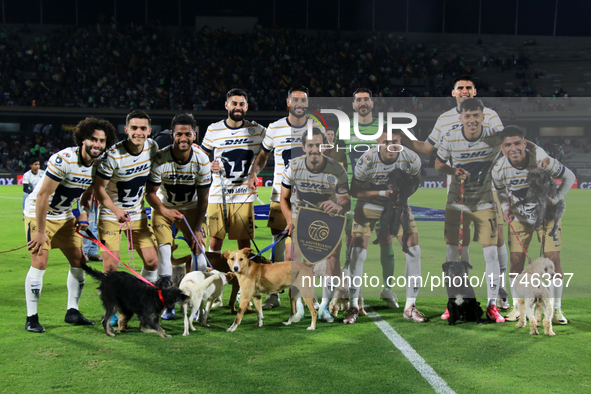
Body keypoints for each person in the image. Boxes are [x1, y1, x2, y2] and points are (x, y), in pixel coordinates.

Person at [401, 75, 510, 316]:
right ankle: (461, 299)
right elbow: (428, 149)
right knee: (460, 246)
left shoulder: (490, 114)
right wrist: (404, 140)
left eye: (468, 88)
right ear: (453, 93)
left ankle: (500, 292)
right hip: (459, 192)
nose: (464, 91)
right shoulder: (445, 120)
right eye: (460, 88)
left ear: (475, 92)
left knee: (497, 240)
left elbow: (504, 145)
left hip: (488, 188)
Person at [24, 117, 117, 333]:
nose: (97, 144)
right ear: (83, 139)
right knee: (40, 262)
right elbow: (42, 196)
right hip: (39, 214)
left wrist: (83, 214)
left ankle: (72, 311)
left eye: (102, 141)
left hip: (65, 215)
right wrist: (39, 231)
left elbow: (86, 196)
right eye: (93, 139)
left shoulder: (97, 166)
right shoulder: (63, 159)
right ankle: (32, 317)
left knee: (80, 261)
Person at [492, 126, 575, 324]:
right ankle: (517, 308)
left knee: (553, 260)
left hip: (548, 217)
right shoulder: (498, 169)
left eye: (517, 143)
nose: (514, 148)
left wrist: (555, 199)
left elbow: (569, 176)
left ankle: (555, 310)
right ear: (501, 147)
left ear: (525, 143)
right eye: (508, 145)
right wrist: (505, 207)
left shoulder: (541, 162)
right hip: (520, 219)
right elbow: (501, 191)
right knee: (516, 262)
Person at [434, 98, 507, 323]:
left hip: (484, 202)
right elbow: (438, 164)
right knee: (453, 254)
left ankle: (492, 305)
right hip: (457, 202)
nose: (472, 120)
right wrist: (453, 170)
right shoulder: (451, 137)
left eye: (476, 115)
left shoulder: (494, 137)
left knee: (491, 254)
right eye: (468, 116)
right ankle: (454, 302)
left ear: (483, 116)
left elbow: (517, 144)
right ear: (461, 118)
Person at [248, 86, 316, 310]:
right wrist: (253, 173)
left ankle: (309, 292)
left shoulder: (316, 127)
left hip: (309, 196)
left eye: (303, 100)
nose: (299, 104)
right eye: (295, 100)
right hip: (281, 195)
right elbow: (263, 155)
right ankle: (274, 293)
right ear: (288, 103)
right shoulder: (275, 128)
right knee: (278, 243)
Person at [347, 131, 426, 324]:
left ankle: (410, 306)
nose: (390, 146)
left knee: (414, 249)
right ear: (377, 142)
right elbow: (355, 190)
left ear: (401, 142)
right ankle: (352, 306)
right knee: (358, 252)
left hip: (396, 205)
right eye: (386, 142)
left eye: (395, 142)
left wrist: (401, 200)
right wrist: (383, 192)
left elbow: (415, 181)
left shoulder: (411, 157)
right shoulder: (367, 159)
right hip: (369, 203)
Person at [335, 87, 400, 309]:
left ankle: (387, 289)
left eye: (366, 99)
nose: (363, 103)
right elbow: (337, 159)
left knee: (386, 237)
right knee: (352, 240)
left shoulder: (383, 129)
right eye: (358, 100)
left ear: (372, 103)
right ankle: (353, 286)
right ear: (353, 105)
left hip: (382, 193)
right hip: (355, 193)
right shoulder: (344, 130)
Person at [280, 127, 350, 323]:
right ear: (303, 147)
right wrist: (289, 221)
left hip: (329, 218)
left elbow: (346, 201)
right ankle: (300, 306)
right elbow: (283, 199)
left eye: (318, 145)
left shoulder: (337, 169)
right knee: (292, 257)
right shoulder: (293, 166)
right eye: (310, 145)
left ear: (324, 146)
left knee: (333, 260)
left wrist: (337, 205)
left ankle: (325, 307)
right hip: (301, 216)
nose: (314, 149)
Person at [146, 112, 212, 319]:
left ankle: (197, 302)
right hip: (164, 208)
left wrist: (197, 229)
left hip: (192, 209)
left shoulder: (202, 160)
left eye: (188, 134)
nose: (183, 138)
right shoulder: (160, 158)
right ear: (173, 134)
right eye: (179, 134)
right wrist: (164, 211)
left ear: (195, 136)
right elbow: (150, 193)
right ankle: (168, 304)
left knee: (200, 256)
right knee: (164, 254)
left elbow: (203, 200)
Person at [93, 110, 160, 308]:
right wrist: (115, 210)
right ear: (126, 130)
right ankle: (112, 308)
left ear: (149, 130)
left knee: (152, 261)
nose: (138, 132)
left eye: (142, 128)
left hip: (137, 215)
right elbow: (98, 188)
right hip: (110, 216)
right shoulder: (113, 155)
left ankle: (143, 299)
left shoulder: (152, 147)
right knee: (111, 267)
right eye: (134, 128)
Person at [201, 89, 266, 255]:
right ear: (226, 105)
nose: (238, 107)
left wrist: (254, 172)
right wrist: (209, 165)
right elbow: (200, 158)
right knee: (215, 241)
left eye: (241, 104)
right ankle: (215, 277)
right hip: (218, 194)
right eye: (234, 103)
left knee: (244, 242)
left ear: (247, 107)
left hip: (244, 194)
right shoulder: (213, 129)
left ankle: (242, 280)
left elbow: (266, 153)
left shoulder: (257, 130)